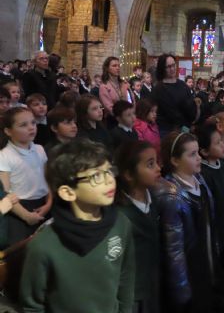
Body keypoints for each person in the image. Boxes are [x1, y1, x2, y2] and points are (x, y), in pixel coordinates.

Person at [19, 139, 135, 312]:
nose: (109, 180)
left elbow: (126, 280)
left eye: (109, 171)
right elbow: (32, 306)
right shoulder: (43, 246)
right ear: (68, 192)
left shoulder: (121, 223)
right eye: (96, 176)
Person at [152, 131, 217, 313]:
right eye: (192, 154)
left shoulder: (199, 181)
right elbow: (174, 250)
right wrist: (181, 287)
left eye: (198, 152)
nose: (199, 157)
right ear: (174, 160)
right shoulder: (171, 196)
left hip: (203, 256)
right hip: (189, 266)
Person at [115, 141, 161, 313]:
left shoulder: (153, 198)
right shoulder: (120, 214)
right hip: (132, 293)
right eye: (150, 164)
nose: (158, 168)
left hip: (152, 283)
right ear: (129, 174)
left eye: (156, 162)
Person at [0, 107, 51, 244]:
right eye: (23, 125)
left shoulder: (39, 149)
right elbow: (5, 194)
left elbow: (48, 180)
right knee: (21, 247)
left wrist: (49, 203)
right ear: (8, 131)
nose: (31, 127)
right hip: (19, 207)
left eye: (33, 123)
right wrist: (26, 216)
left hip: (44, 203)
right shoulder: (4, 156)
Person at [197, 122, 224, 260]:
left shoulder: (222, 164)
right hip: (216, 225)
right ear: (204, 151)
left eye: (221, 141)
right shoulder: (204, 174)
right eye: (217, 143)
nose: (222, 145)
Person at [151, 54, 198, 138]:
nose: (172, 69)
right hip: (168, 130)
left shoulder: (182, 84)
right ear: (162, 68)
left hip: (185, 127)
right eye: (168, 67)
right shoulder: (159, 88)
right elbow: (170, 112)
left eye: (173, 65)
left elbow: (191, 104)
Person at [99, 56, 132, 126]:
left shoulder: (124, 83)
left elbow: (132, 100)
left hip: (128, 118)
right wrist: (123, 117)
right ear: (107, 68)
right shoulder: (104, 86)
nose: (118, 68)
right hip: (113, 121)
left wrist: (131, 114)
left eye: (118, 66)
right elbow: (109, 107)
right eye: (114, 66)